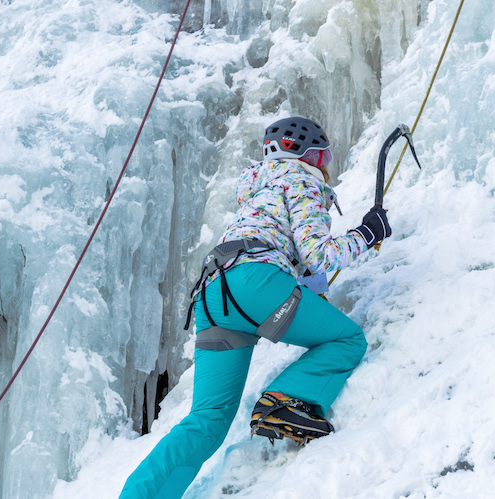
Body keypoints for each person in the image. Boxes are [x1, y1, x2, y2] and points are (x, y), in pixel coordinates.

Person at [119, 116, 391, 498]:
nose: (325, 164)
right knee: (347, 339)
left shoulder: (258, 192)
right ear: (309, 154)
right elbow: (319, 253)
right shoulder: (302, 180)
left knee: (207, 422)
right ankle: (286, 399)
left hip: (213, 294)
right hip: (255, 283)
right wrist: (367, 233)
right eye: (323, 155)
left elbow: (305, 266)